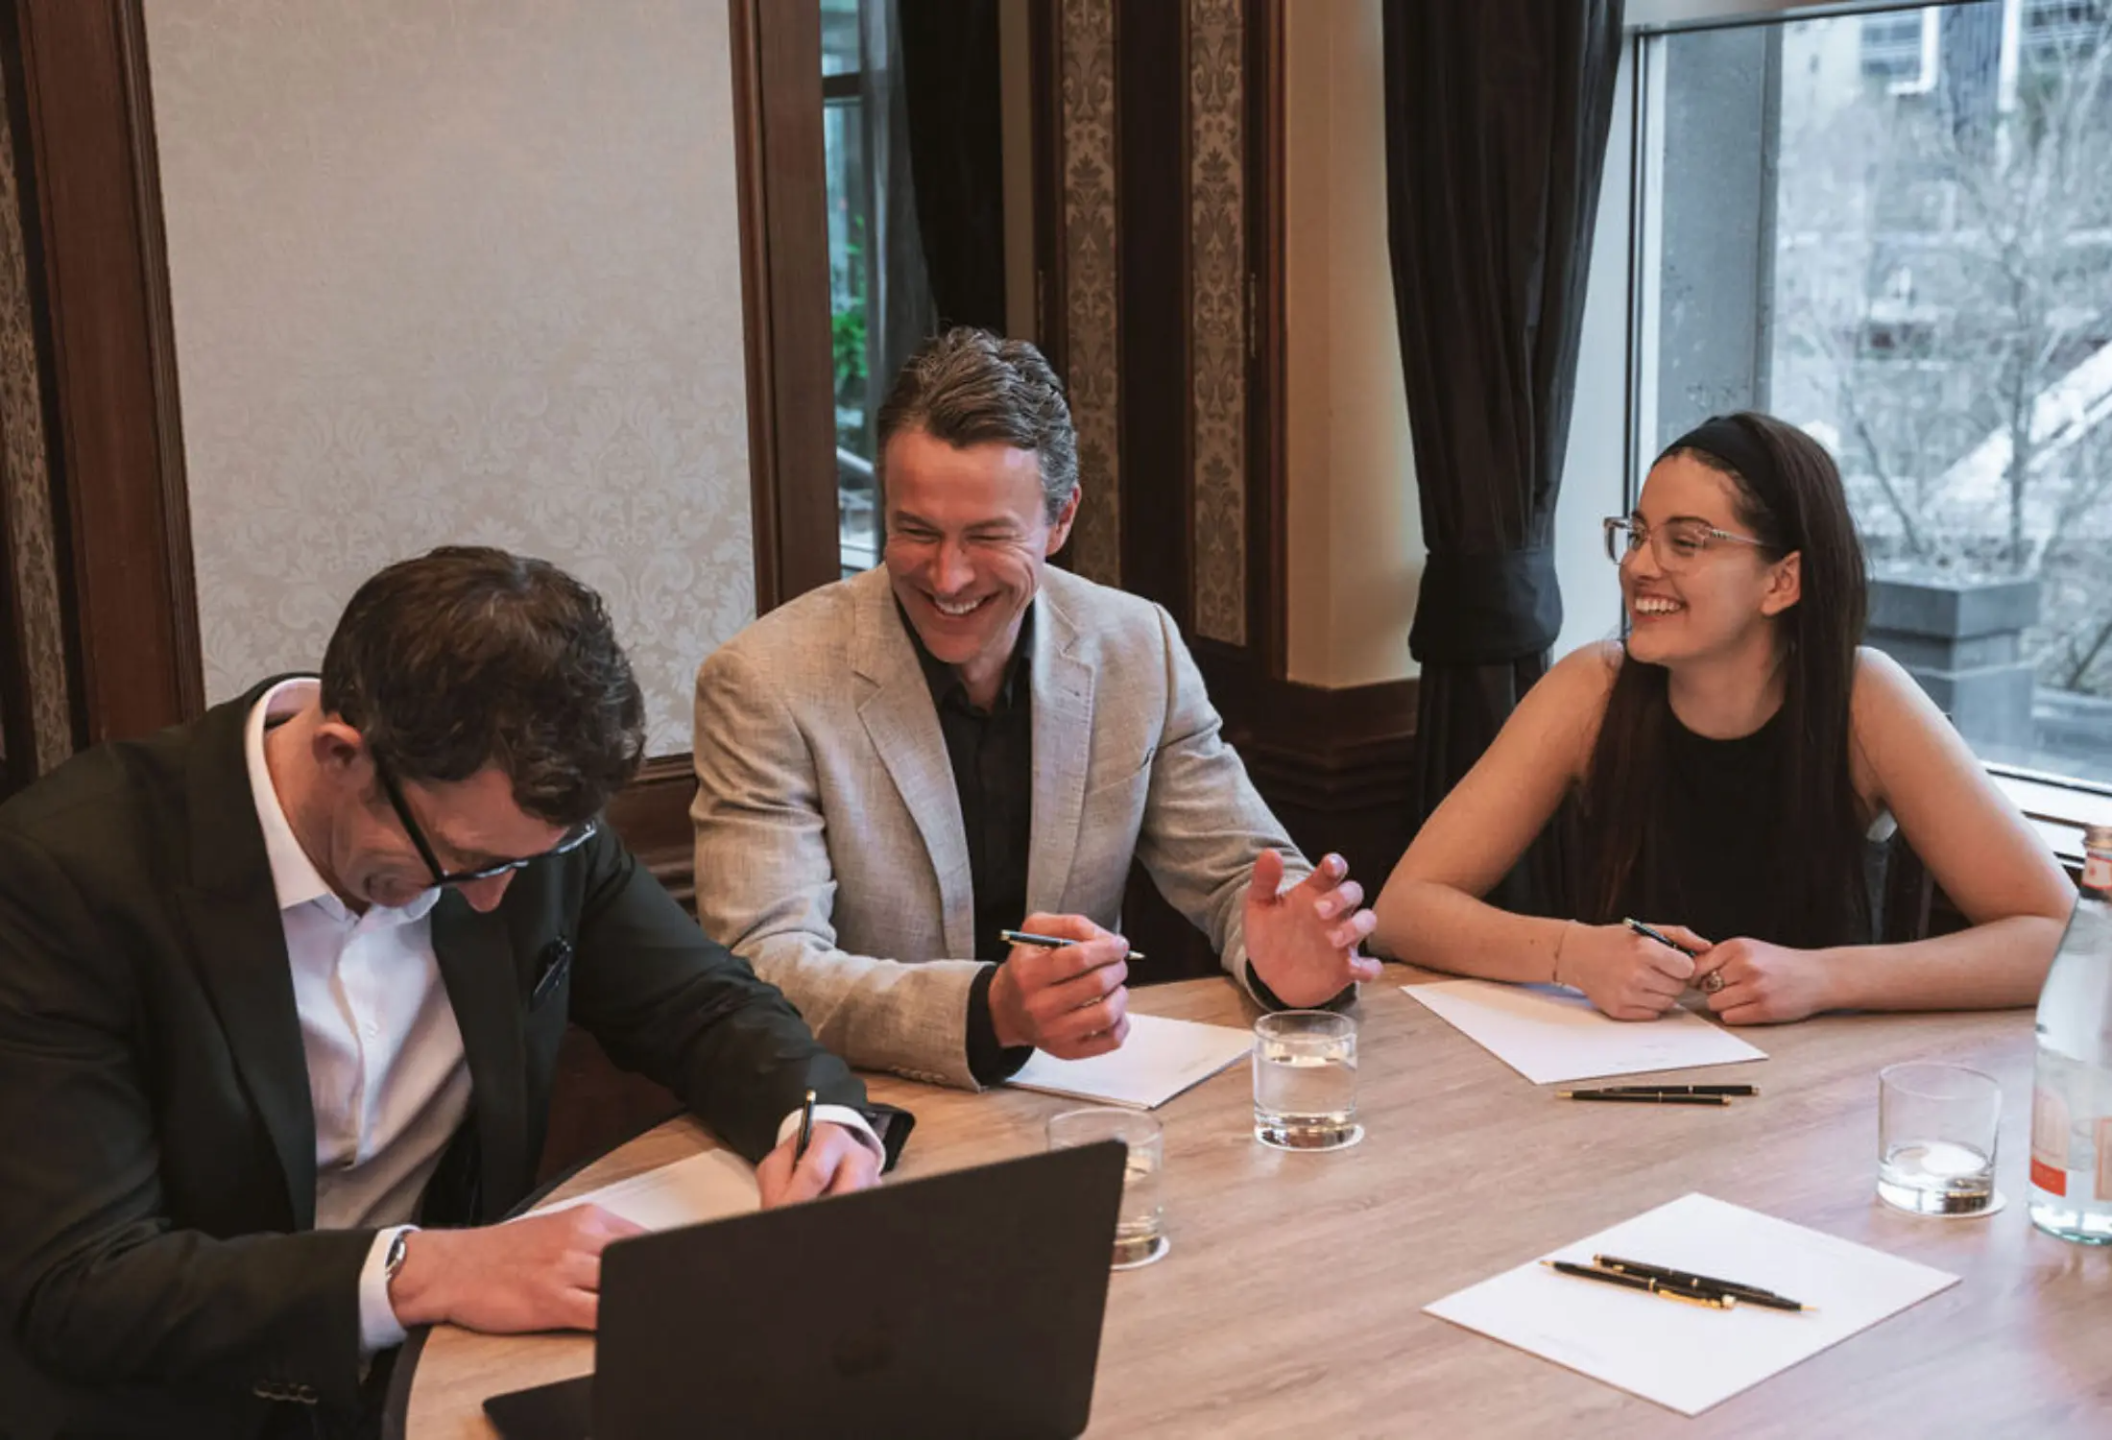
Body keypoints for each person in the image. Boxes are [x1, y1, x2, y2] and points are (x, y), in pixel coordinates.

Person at [0, 548, 905, 1440]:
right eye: (464, 862)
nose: (495, 898)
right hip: (183, 1403)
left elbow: (704, 1006)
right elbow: (82, 1281)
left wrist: (816, 1119)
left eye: (527, 861)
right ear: (341, 753)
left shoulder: (527, 837)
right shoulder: (69, 879)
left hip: (450, 1371)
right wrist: (425, 1273)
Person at [691, 327, 1379, 1090]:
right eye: (915, 532)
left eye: (988, 537)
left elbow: (1238, 879)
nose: (948, 577)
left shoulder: (1135, 645)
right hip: (863, 1111)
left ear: (1061, 520)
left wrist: (1286, 960)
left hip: (1085, 1100)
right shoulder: (764, 679)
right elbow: (763, 965)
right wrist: (991, 1010)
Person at [1372, 411, 2074, 1023]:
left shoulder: (1864, 698)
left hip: (1817, 1104)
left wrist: (1823, 977)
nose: (1641, 565)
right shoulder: (1594, 687)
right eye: (1639, 533)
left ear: (1781, 581)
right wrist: (1570, 953)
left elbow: (2058, 937)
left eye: (1687, 541)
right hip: (1615, 1085)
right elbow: (1405, 908)